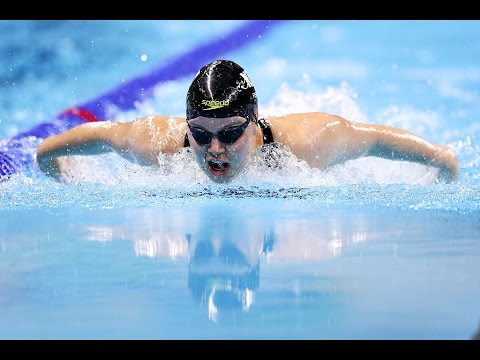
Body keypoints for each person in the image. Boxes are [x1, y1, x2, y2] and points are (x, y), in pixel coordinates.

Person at [36, 59, 460, 184]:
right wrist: (66, 180)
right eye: (200, 134)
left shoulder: (308, 143)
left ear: (254, 124)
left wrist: (442, 163)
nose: (214, 150)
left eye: (230, 133)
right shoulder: (160, 143)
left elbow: (374, 141)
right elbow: (46, 151)